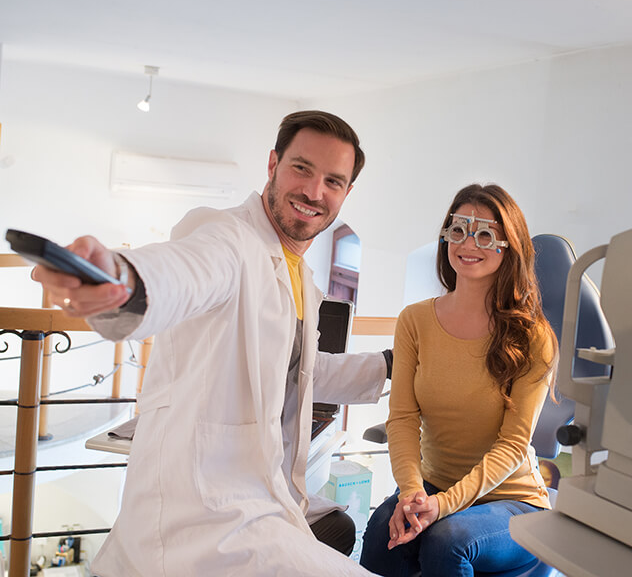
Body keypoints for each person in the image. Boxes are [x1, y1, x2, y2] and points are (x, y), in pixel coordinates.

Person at [32, 111, 388, 576]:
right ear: (272, 164)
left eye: (333, 181)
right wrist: (122, 279)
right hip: (200, 512)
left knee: (335, 529)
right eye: (301, 168)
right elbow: (183, 271)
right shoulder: (227, 236)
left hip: (259, 501)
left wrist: (395, 364)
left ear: (347, 192)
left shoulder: (300, 275)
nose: (314, 192)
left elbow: (304, 368)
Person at [359, 183, 557, 577]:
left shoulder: (532, 336)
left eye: (485, 233)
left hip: (513, 500)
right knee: (381, 534)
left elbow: (515, 444)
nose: (469, 243)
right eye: (459, 230)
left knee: (446, 541)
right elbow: (401, 418)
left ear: (508, 246)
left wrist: (443, 505)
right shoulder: (414, 321)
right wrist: (413, 493)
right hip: (431, 486)